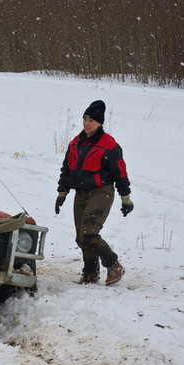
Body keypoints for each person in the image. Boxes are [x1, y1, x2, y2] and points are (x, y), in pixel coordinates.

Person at [55, 100, 133, 285]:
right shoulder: (76, 143)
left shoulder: (109, 145)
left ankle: (113, 264)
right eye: (84, 119)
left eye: (91, 120)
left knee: (89, 233)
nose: (86, 123)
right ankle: (90, 272)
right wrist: (62, 192)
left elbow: (120, 172)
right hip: (81, 193)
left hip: (101, 192)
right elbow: (67, 169)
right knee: (81, 237)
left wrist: (126, 198)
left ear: (99, 123)